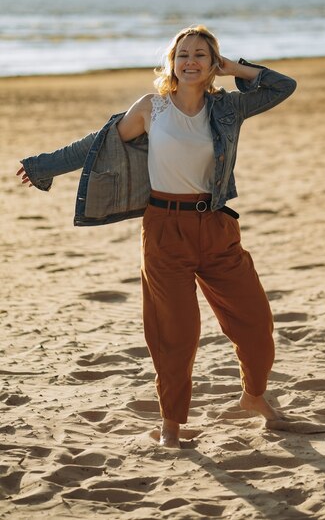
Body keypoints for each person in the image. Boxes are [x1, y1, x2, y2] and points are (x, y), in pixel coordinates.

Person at [17, 25, 298, 448]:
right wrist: (44, 166)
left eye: (201, 55)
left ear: (212, 65)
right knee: (175, 332)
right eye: (182, 54)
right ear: (171, 61)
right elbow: (98, 143)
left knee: (256, 323)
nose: (190, 61)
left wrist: (234, 68)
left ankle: (253, 397)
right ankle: (171, 424)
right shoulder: (153, 108)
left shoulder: (227, 110)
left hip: (218, 226)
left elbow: (282, 86)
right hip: (165, 229)